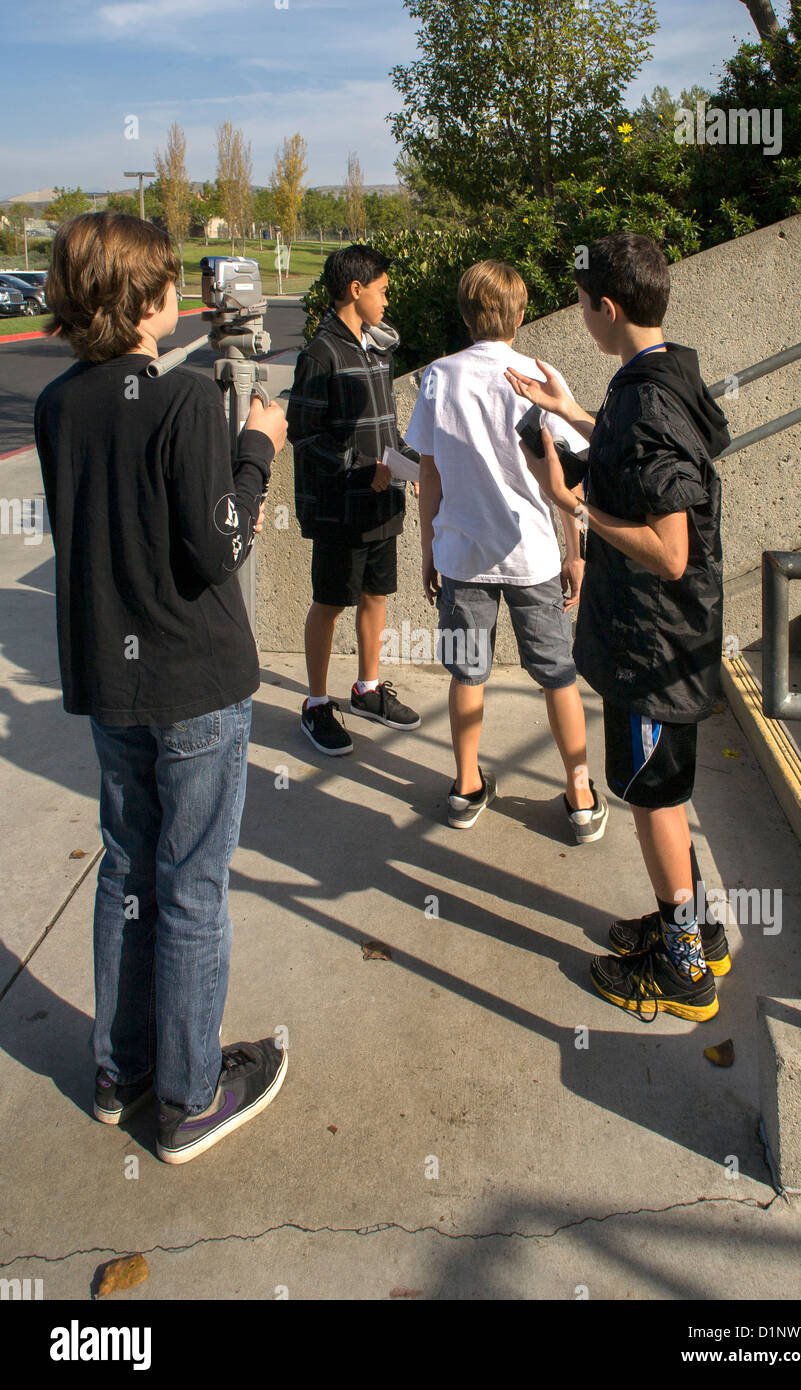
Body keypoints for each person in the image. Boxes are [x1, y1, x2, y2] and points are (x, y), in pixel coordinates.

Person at [34, 210, 290, 1162]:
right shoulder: (183, 401)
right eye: (173, 281)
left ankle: (122, 1068)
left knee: (128, 870)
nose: (185, 296)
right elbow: (220, 545)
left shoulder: (61, 404)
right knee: (191, 887)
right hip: (196, 682)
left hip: (112, 684)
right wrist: (258, 446)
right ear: (144, 299)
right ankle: (188, 1096)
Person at [506, 232, 732, 1021]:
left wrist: (574, 505)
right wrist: (570, 411)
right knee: (660, 789)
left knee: (652, 799)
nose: (579, 315)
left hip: (652, 641)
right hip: (668, 638)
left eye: (580, 304)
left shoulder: (643, 397)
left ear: (606, 308)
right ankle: (697, 925)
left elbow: (671, 550)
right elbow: (645, 455)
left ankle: (684, 971)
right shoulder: (668, 372)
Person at [405, 259, 607, 839]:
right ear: (520, 314)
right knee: (557, 674)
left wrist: (428, 549)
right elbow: (566, 477)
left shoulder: (439, 377)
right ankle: (580, 793)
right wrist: (576, 552)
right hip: (534, 555)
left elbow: (430, 473)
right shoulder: (539, 375)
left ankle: (467, 785)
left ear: (466, 314)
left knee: (468, 673)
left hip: (463, 557)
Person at [287, 244, 421, 755]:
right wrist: (362, 471)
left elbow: (386, 427)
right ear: (356, 290)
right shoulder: (320, 354)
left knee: (376, 594)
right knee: (329, 602)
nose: (387, 301)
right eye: (382, 291)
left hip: (381, 505)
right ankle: (316, 702)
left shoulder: (376, 349)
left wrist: (411, 461)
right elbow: (305, 434)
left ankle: (366, 689)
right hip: (340, 508)